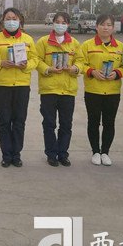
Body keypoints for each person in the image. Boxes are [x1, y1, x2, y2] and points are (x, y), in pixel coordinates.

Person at [0, 7, 38, 167]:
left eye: (14, 19)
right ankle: (6, 155)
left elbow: (35, 59)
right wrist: (0, 63)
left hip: (22, 86)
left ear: (20, 21)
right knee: (4, 121)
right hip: (3, 86)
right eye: (8, 19)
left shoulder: (28, 39)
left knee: (19, 121)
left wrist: (26, 65)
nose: (11, 21)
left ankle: (16, 154)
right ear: (3, 21)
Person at [75, 14, 123, 166]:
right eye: (102, 24)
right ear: (96, 26)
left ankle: (105, 152)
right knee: (93, 122)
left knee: (109, 123)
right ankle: (95, 152)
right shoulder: (87, 45)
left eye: (109, 25)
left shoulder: (120, 47)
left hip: (112, 92)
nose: (106, 27)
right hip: (93, 91)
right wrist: (92, 71)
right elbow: (81, 64)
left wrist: (117, 73)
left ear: (113, 28)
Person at [35, 11, 82, 167]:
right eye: (58, 22)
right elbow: (37, 60)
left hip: (68, 90)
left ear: (68, 24)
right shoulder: (43, 42)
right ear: (53, 23)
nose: (60, 25)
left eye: (64, 22)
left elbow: (81, 61)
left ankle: (63, 154)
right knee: (49, 124)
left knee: (66, 124)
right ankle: (51, 154)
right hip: (49, 89)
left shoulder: (74, 43)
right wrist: (48, 69)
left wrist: (75, 68)